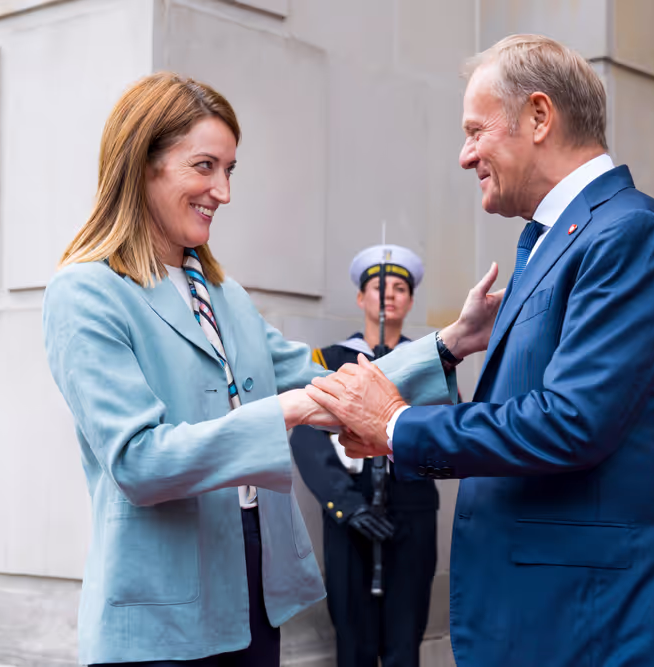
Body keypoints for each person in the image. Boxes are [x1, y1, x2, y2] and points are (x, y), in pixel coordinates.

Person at [305, 34, 654, 667]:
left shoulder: (629, 233)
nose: (465, 156)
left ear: (539, 116)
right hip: (558, 616)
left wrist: (399, 426)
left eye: (475, 131)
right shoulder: (560, 238)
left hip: (611, 623)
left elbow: (572, 421)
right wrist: (452, 347)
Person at [41, 72, 462, 667]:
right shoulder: (84, 292)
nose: (224, 191)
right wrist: (288, 411)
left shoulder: (224, 294)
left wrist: (449, 344)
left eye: (229, 169)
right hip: (159, 617)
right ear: (144, 164)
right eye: (205, 166)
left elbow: (322, 377)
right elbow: (139, 461)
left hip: (253, 593)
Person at [290, 244, 438, 667]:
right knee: (352, 642)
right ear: (361, 298)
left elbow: (446, 431)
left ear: (409, 300)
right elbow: (306, 436)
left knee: (404, 640)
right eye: (378, 287)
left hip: (412, 510)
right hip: (350, 512)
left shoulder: (427, 363)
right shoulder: (330, 360)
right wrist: (346, 505)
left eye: (398, 288)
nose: (388, 295)